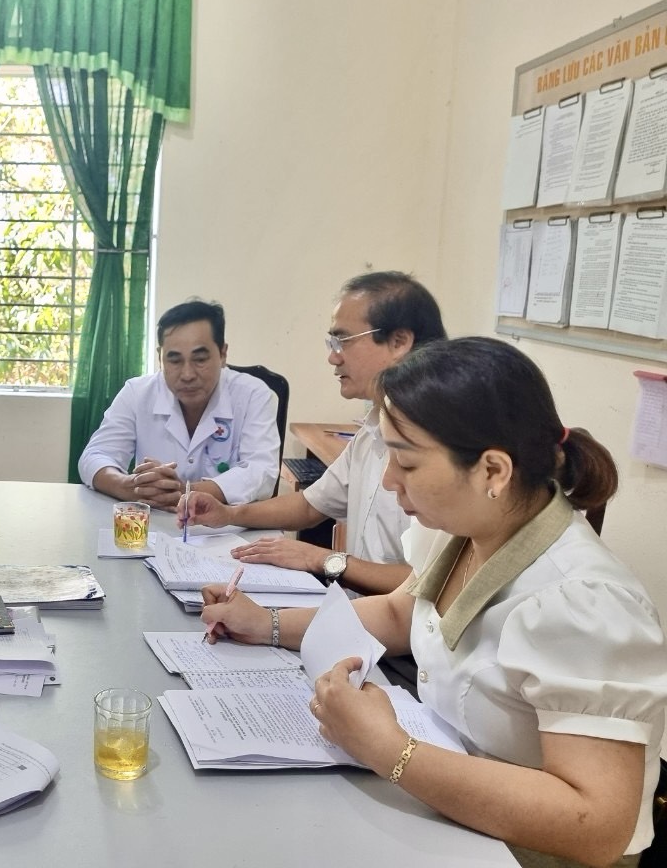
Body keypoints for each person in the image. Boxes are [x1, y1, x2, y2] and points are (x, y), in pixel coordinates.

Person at [200, 337, 667, 867]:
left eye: (405, 461)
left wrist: (390, 751)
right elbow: (401, 613)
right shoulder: (464, 528)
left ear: (493, 471)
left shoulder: (584, 603)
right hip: (449, 812)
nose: (388, 480)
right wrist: (266, 623)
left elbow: (598, 826)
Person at [183, 271, 446, 594]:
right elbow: (309, 506)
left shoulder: (442, 448)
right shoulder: (372, 430)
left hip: (395, 623)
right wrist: (228, 514)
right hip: (359, 614)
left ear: (399, 342)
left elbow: (433, 585)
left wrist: (322, 559)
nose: (333, 357)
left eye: (343, 341)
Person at [78, 299, 280, 510]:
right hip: (153, 521)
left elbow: (262, 471)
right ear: (160, 357)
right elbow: (94, 456)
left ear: (222, 354)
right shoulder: (137, 393)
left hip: (227, 523)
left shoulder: (252, 395)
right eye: (174, 361)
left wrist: (186, 492)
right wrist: (129, 486)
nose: (187, 375)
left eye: (200, 359)